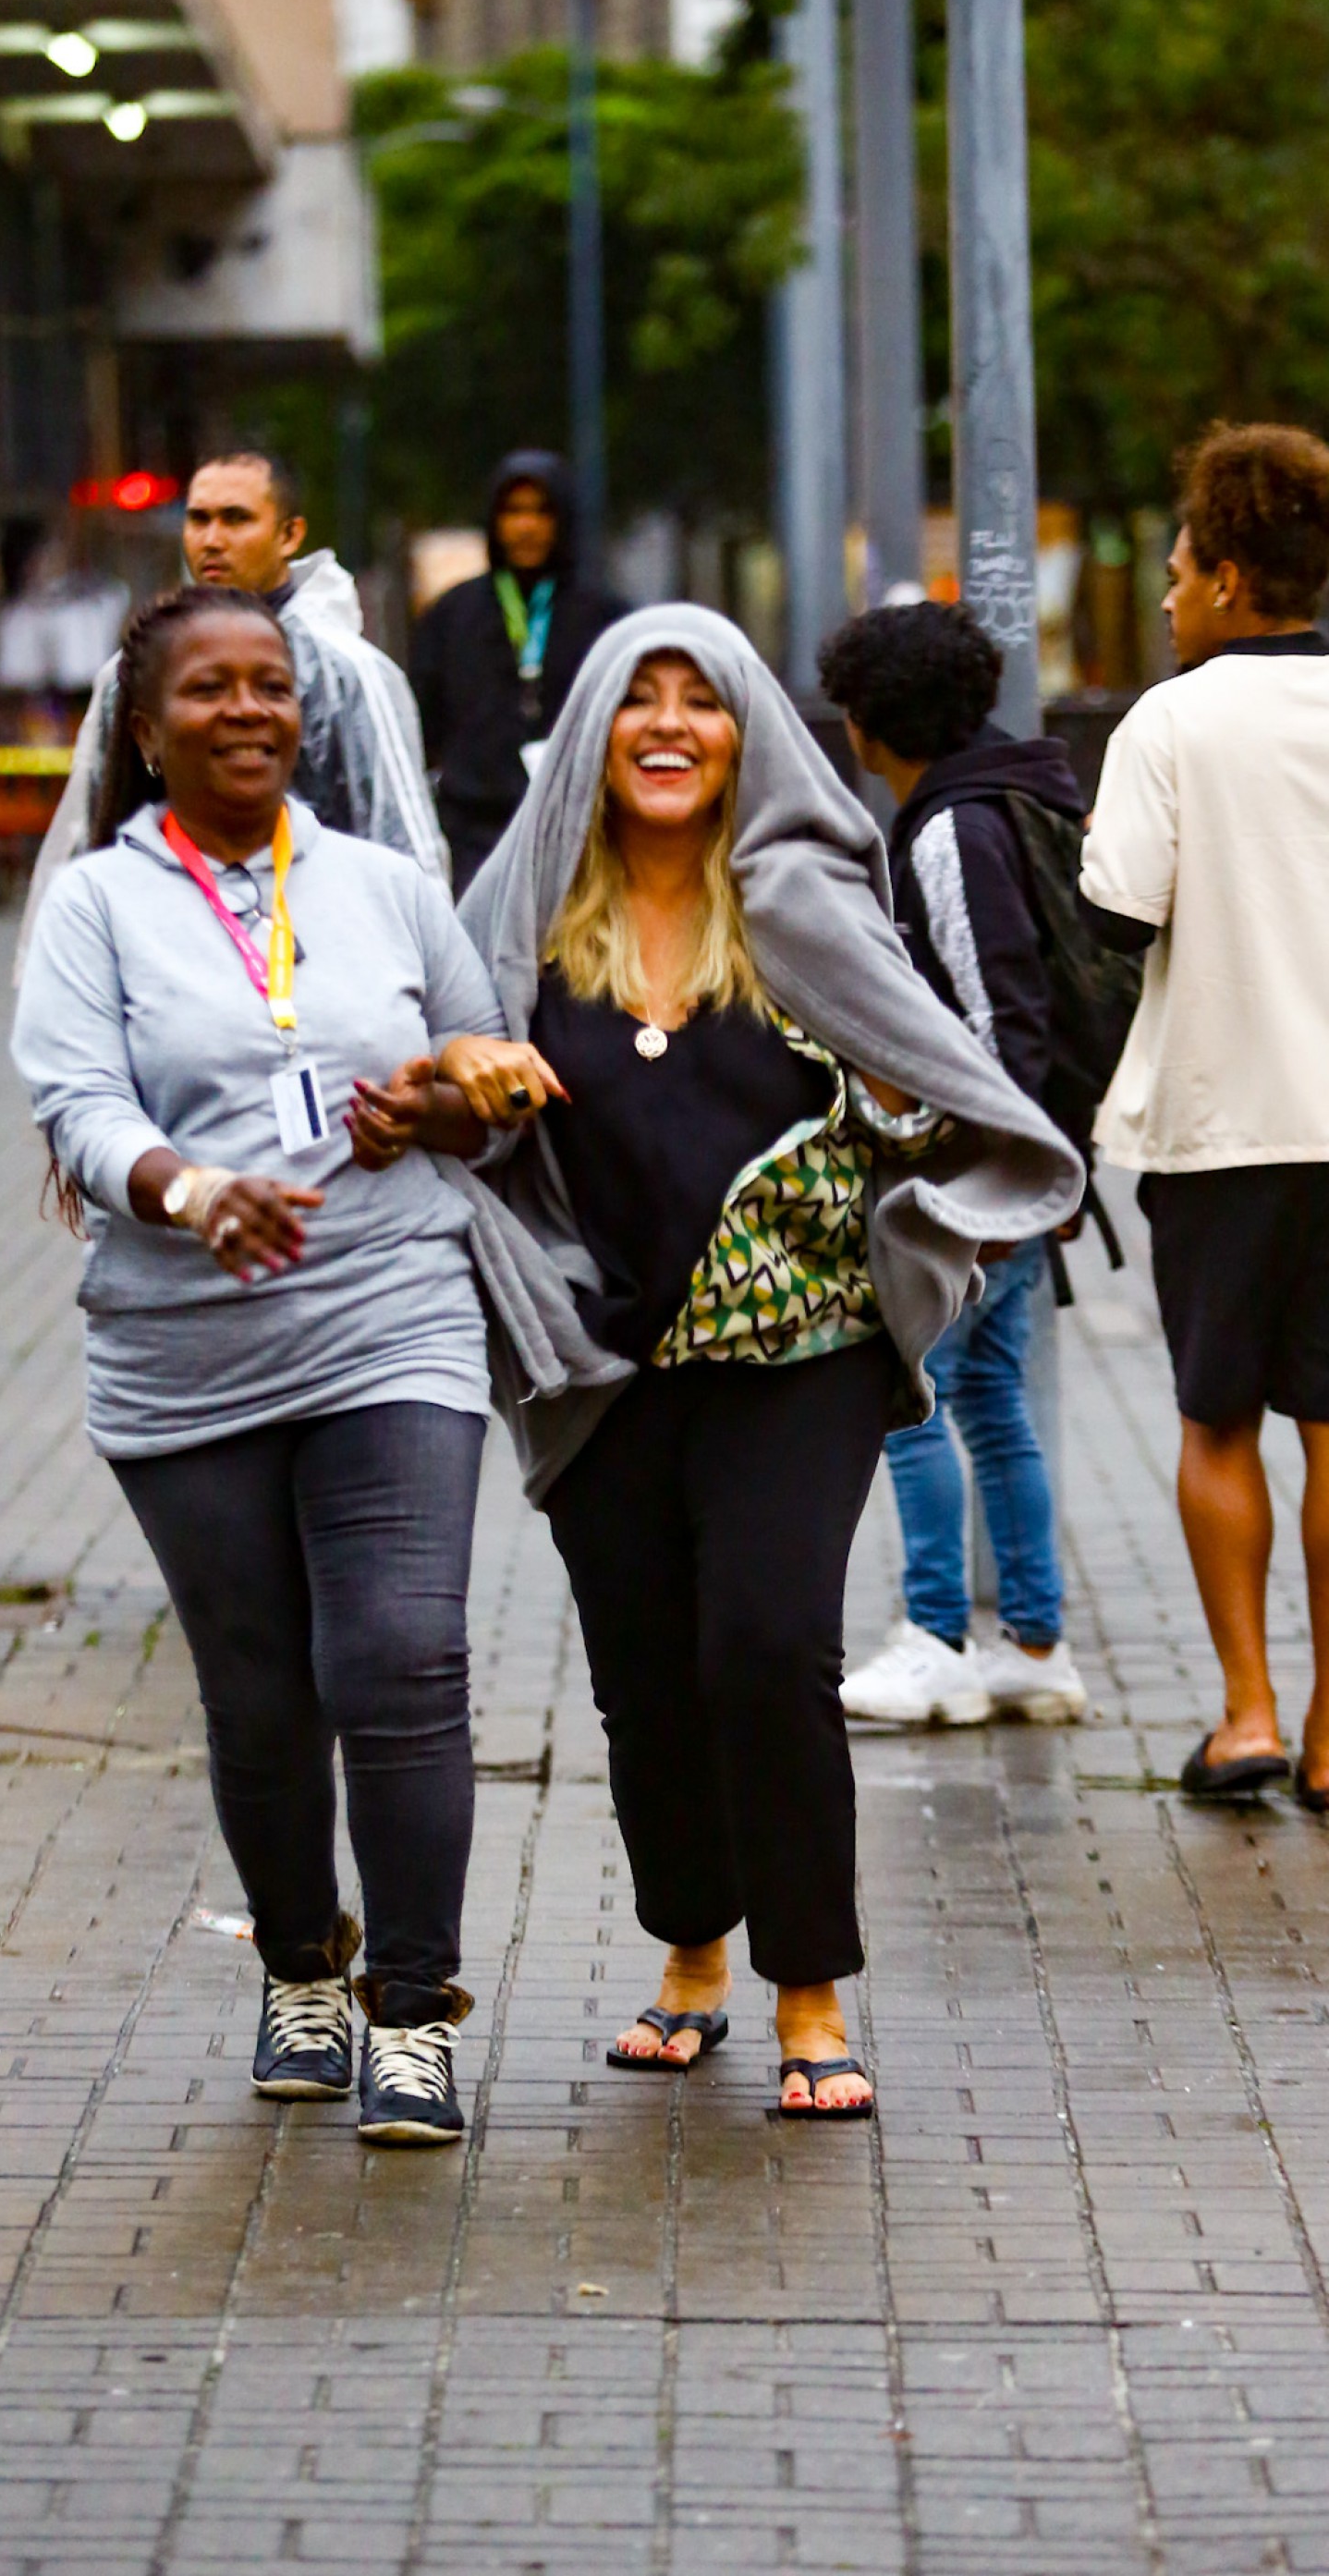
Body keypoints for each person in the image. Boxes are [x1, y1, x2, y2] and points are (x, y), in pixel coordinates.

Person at [429, 610, 1080, 2112]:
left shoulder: (802, 908)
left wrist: (910, 1148)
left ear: (745, 735)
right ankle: (689, 1954)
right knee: (646, 1674)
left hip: (799, 1349)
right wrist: (467, 1094)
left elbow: (943, 1102)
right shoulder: (520, 919)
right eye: (635, 699)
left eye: (700, 702)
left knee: (766, 1645)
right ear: (590, 729)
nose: (668, 725)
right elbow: (446, 1108)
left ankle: (806, 1989)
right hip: (600, 1357)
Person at [11, 585, 511, 2146]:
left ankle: (413, 2015)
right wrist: (189, 1190)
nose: (250, 711)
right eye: (212, 691)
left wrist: (430, 1106)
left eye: (272, 686)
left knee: (402, 1660)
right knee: (262, 1691)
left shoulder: (380, 885)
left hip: (391, 1310)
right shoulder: (96, 904)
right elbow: (76, 1102)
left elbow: (483, 1068)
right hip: (184, 1350)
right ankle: (303, 1969)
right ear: (149, 731)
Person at [1079, 421, 1329, 1812]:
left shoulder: (1170, 718)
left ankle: (1246, 1715)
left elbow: (1120, 914)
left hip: (1222, 1123)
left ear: (1231, 578)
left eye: (1178, 572)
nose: (1168, 596)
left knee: (1219, 1418)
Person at [817, 600, 1089, 1729]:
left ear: (876, 721)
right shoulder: (1019, 791)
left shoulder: (949, 827)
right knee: (985, 1394)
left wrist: (979, 1180)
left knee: (914, 1396)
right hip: (1025, 1164)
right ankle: (1032, 1641)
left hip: (980, 1175)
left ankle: (935, 1636)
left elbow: (993, 1015)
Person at [17, 452, 445, 968]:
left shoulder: (350, 673)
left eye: (236, 519)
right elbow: (92, 830)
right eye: (199, 519)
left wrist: (426, 991)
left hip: (324, 966)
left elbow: (408, 848)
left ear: (290, 536)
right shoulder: (136, 673)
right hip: (172, 967)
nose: (212, 539)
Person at [410, 451, 628, 897]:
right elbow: (423, 723)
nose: (527, 526)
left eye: (542, 511)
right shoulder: (453, 615)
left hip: (578, 834)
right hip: (473, 835)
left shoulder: (605, 617)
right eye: (513, 511)